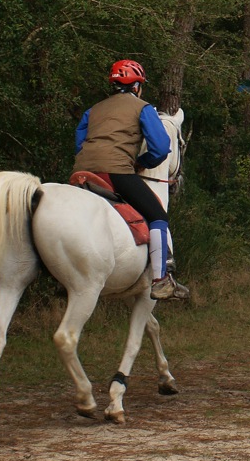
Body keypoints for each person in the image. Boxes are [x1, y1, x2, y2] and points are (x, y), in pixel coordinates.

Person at [75, 59, 188, 301]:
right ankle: (161, 280)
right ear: (137, 86)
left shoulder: (92, 110)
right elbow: (160, 148)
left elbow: (79, 144)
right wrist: (141, 163)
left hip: (82, 172)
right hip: (116, 172)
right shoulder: (143, 108)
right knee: (158, 215)